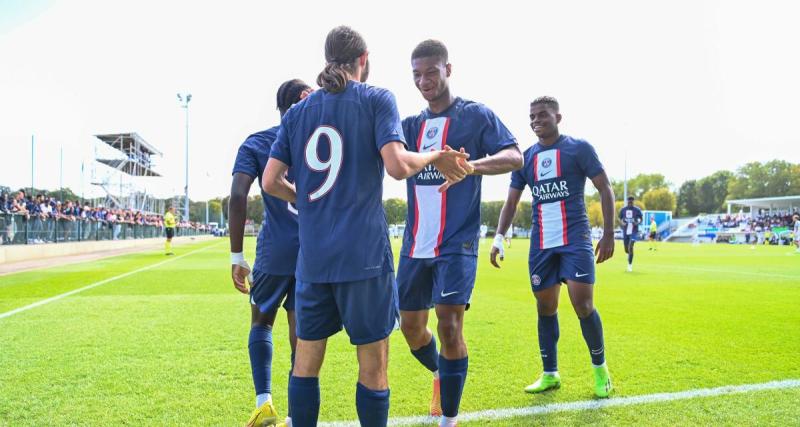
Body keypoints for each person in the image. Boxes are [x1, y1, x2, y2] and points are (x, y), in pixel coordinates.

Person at [262, 26, 470, 427]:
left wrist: (305, 202)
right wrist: (434, 156)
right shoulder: (376, 99)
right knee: (373, 366)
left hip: (314, 258)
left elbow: (271, 181)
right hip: (364, 259)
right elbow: (396, 166)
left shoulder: (298, 113)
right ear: (364, 58)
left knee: (305, 363)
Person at [396, 39, 522, 426]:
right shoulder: (410, 126)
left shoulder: (475, 116)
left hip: (457, 242)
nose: (424, 81)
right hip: (415, 242)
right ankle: (442, 373)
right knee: (412, 329)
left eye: (431, 72)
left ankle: (448, 418)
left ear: (449, 69)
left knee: (450, 325)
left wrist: (473, 166)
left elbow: (515, 155)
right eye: (417, 75)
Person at [490, 96, 615, 398]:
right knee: (545, 307)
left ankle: (601, 372)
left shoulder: (579, 148)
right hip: (542, 244)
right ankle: (550, 374)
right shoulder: (526, 157)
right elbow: (511, 201)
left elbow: (605, 188)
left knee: (582, 304)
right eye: (532, 116)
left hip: (575, 240)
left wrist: (609, 233)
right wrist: (498, 237)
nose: (536, 121)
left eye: (542, 115)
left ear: (558, 117)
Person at [229, 79, 313, 427]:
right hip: (312, 251)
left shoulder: (258, 142)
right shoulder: (319, 142)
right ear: (305, 99)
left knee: (262, 323)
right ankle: (297, 415)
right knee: (301, 335)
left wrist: (237, 255)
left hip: (273, 252)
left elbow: (236, 197)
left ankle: (264, 403)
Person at [619, 196, 643, 271]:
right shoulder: (623, 210)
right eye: (629, 202)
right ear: (627, 202)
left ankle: (630, 265)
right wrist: (623, 223)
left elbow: (641, 219)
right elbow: (620, 219)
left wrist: (638, 222)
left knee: (631, 246)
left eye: (631, 202)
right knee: (626, 249)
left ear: (633, 202)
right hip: (625, 232)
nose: (630, 203)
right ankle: (629, 255)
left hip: (634, 231)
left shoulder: (637, 210)